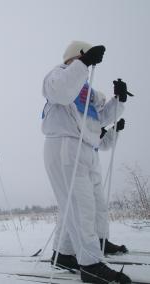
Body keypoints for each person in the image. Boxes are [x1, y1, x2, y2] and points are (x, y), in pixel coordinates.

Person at [42, 41, 131, 283]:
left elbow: (99, 118)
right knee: (81, 207)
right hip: (65, 144)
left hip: (87, 148)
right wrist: (83, 63)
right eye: (84, 56)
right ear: (77, 56)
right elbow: (61, 92)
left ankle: (65, 253)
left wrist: (119, 100)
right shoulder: (57, 75)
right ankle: (91, 264)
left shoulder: (88, 89)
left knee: (86, 205)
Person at [97, 119, 128, 255]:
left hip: (91, 164)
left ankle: (101, 241)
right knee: (79, 208)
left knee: (100, 206)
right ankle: (64, 250)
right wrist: (92, 130)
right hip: (74, 161)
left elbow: (103, 145)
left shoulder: (93, 113)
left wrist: (113, 131)